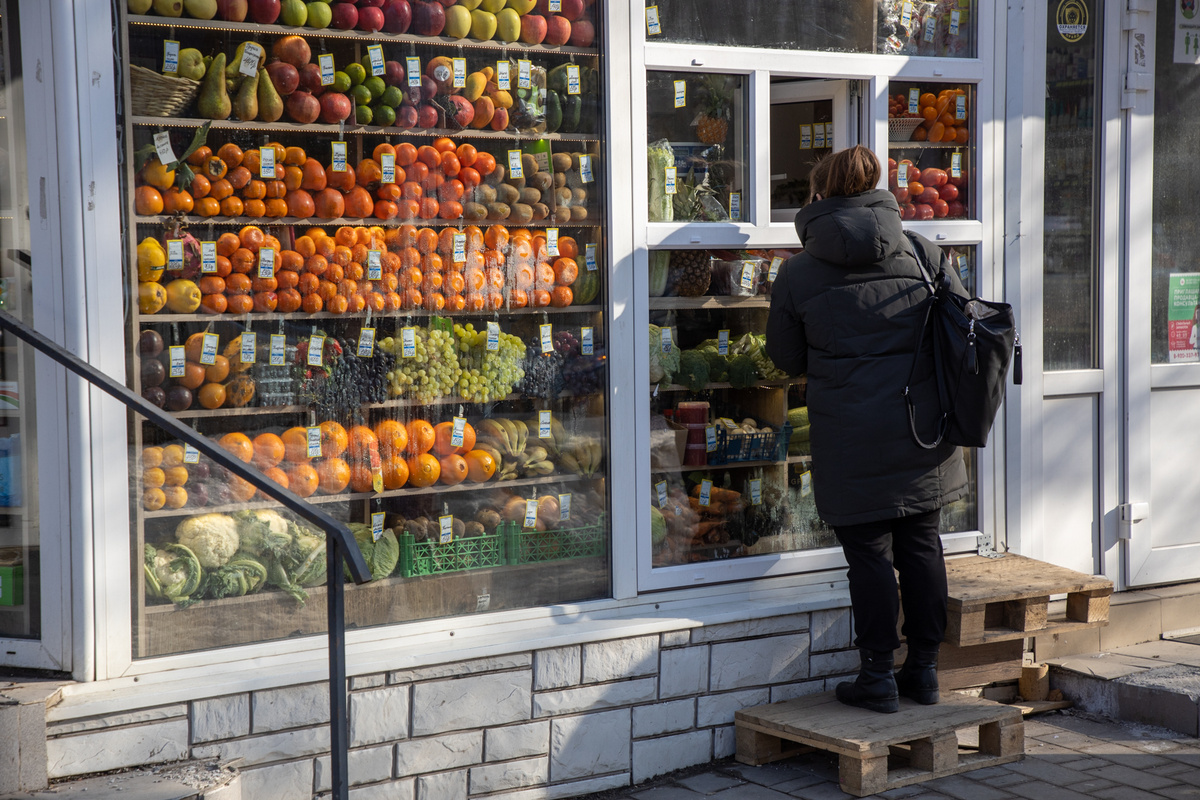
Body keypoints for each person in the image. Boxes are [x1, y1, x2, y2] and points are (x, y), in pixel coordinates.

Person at [765, 145, 968, 714]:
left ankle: (877, 675)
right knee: (922, 545)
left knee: (871, 556)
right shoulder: (925, 254)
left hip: (849, 437)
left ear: (820, 195)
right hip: (922, 432)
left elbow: (786, 360)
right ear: (878, 189)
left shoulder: (799, 271)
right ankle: (924, 671)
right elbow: (957, 337)